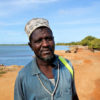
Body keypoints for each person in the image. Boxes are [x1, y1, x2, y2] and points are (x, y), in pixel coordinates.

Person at [14, 18, 79, 100]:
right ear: (31, 46)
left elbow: (73, 96)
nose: (45, 44)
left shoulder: (67, 66)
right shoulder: (23, 76)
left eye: (49, 39)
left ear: (54, 40)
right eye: (38, 41)